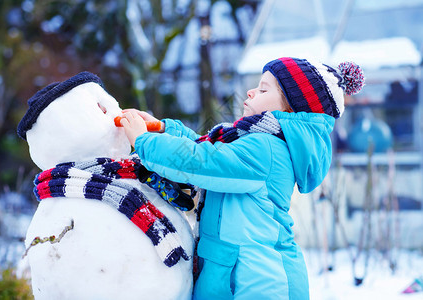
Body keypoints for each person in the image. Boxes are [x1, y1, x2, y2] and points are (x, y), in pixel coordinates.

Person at [119, 57, 365, 300]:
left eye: (262, 89)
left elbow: (202, 163)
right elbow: (211, 153)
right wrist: (164, 131)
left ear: (289, 108)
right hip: (231, 274)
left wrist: (145, 142)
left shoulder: (266, 149)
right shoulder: (251, 141)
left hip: (262, 282)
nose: (250, 92)